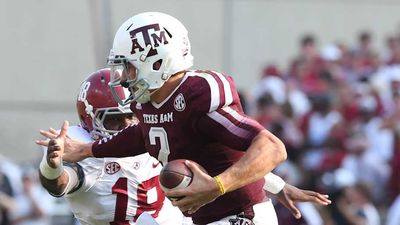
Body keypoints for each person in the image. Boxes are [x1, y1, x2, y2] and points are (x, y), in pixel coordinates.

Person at [37, 12, 330, 224]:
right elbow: (144, 137)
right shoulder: (148, 103)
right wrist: (87, 150)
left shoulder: (196, 94)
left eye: (128, 67)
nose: (124, 78)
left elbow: (271, 147)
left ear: (155, 61)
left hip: (239, 216)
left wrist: (218, 186)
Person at [38, 69, 183, 225]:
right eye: (115, 118)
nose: (128, 126)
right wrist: (52, 168)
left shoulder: (153, 133)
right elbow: (60, 184)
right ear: (89, 117)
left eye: (131, 116)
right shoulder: (77, 144)